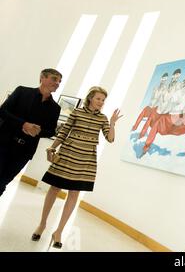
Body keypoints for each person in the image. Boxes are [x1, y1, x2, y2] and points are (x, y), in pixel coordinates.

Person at [31, 86, 122, 249]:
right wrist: (52, 147)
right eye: (98, 99)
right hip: (67, 154)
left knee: (74, 193)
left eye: (103, 100)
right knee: (54, 188)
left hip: (86, 159)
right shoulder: (77, 112)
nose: (101, 102)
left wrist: (113, 123)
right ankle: (42, 224)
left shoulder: (103, 118)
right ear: (90, 98)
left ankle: (58, 231)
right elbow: (64, 131)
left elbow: (110, 139)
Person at [0, 68, 62, 197]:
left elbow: (51, 131)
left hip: (24, 152)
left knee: (2, 183)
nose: (57, 83)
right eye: (54, 79)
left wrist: (37, 132)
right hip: (3, 143)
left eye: (59, 81)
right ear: (42, 78)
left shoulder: (55, 108)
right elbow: (3, 111)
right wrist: (24, 124)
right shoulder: (22, 91)